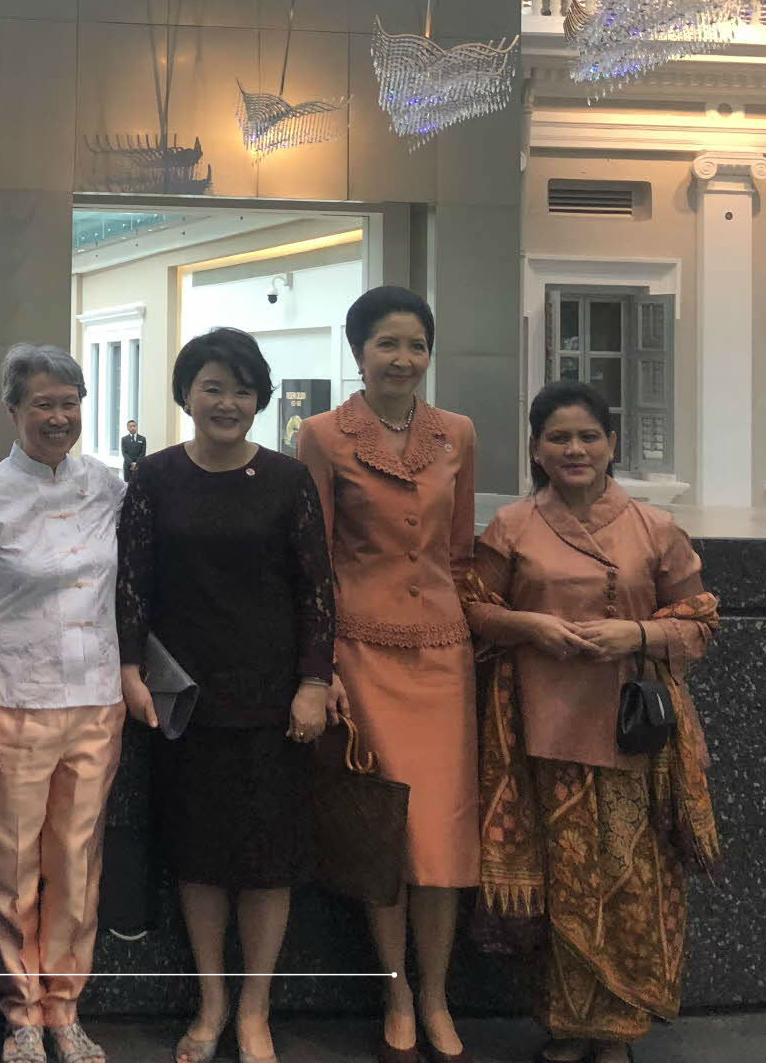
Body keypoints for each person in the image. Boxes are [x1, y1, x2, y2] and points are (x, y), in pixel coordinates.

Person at [460, 382, 720, 1063]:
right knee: (560, 879)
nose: (574, 450)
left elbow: (699, 621)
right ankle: (569, 1024)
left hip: (631, 733)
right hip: (538, 730)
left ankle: (618, 1030)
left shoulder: (653, 527)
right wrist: (530, 625)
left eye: (588, 437)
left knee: (629, 879)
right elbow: (474, 609)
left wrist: (634, 633)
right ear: (536, 450)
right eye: (557, 438)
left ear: (611, 445)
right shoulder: (512, 526)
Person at [117, 329, 336, 1063]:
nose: (228, 402)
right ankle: (211, 1002)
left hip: (274, 698)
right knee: (200, 856)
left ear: (260, 399)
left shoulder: (286, 479)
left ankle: (255, 1010)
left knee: (268, 859)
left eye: (242, 389)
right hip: (183, 699)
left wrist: (313, 682)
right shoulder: (152, 477)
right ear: (186, 394)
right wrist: (129, 673)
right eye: (212, 386)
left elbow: (316, 590)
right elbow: (132, 587)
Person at [297, 286, 476, 1063]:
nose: (403, 359)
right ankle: (397, 990)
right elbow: (315, 563)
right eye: (386, 345)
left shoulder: (458, 433)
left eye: (416, 345)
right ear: (357, 352)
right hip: (361, 653)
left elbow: (461, 552)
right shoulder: (322, 436)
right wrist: (320, 663)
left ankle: (436, 993)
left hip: (444, 652)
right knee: (388, 834)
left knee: (442, 840)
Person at [0, 343, 137, 1063]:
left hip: (95, 697)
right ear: (13, 411)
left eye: (70, 403)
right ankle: (22, 1011)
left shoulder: (108, 487)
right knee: (13, 871)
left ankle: (65, 1008)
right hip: (12, 703)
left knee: (78, 866)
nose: (59, 417)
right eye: (43, 404)